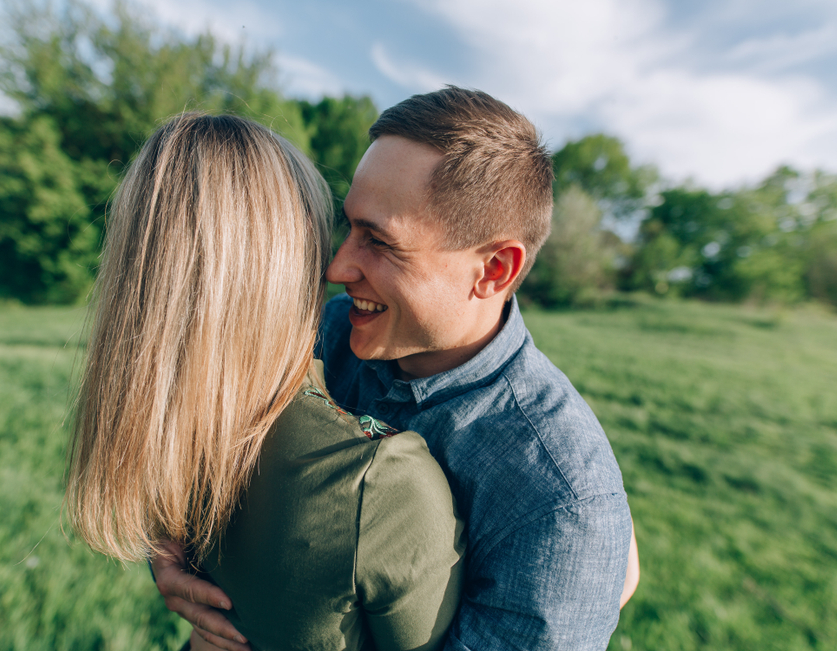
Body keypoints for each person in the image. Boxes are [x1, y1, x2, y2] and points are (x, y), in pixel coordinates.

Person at [155, 88, 636, 650]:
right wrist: (168, 541)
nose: (337, 268)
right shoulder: (327, 332)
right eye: (349, 227)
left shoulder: (557, 504)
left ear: (495, 269)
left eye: (379, 242)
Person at [66, 113, 465, 650]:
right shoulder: (381, 487)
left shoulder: (170, 440)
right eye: (328, 237)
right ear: (283, 266)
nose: (336, 268)